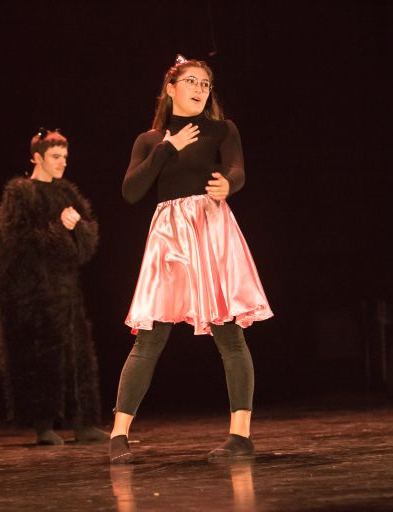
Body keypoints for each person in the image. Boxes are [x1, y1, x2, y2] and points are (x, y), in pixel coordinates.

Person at [108, 54, 273, 464]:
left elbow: (237, 170)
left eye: (205, 83)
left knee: (229, 333)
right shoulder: (150, 140)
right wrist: (167, 147)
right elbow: (131, 191)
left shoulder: (222, 129)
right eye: (192, 81)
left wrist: (227, 185)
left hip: (210, 229)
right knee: (150, 336)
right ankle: (118, 435)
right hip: (170, 237)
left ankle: (241, 435)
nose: (200, 89)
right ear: (171, 89)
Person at [0, 128, 107, 445]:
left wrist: (77, 227)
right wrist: (58, 228)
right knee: (41, 355)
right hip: (33, 290)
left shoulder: (66, 193)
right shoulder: (21, 192)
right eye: (56, 156)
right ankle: (44, 424)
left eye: (65, 157)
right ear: (37, 157)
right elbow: (18, 241)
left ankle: (81, 422)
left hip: (65, 289)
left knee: (76, 353)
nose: (62, 163)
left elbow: (89, 240)